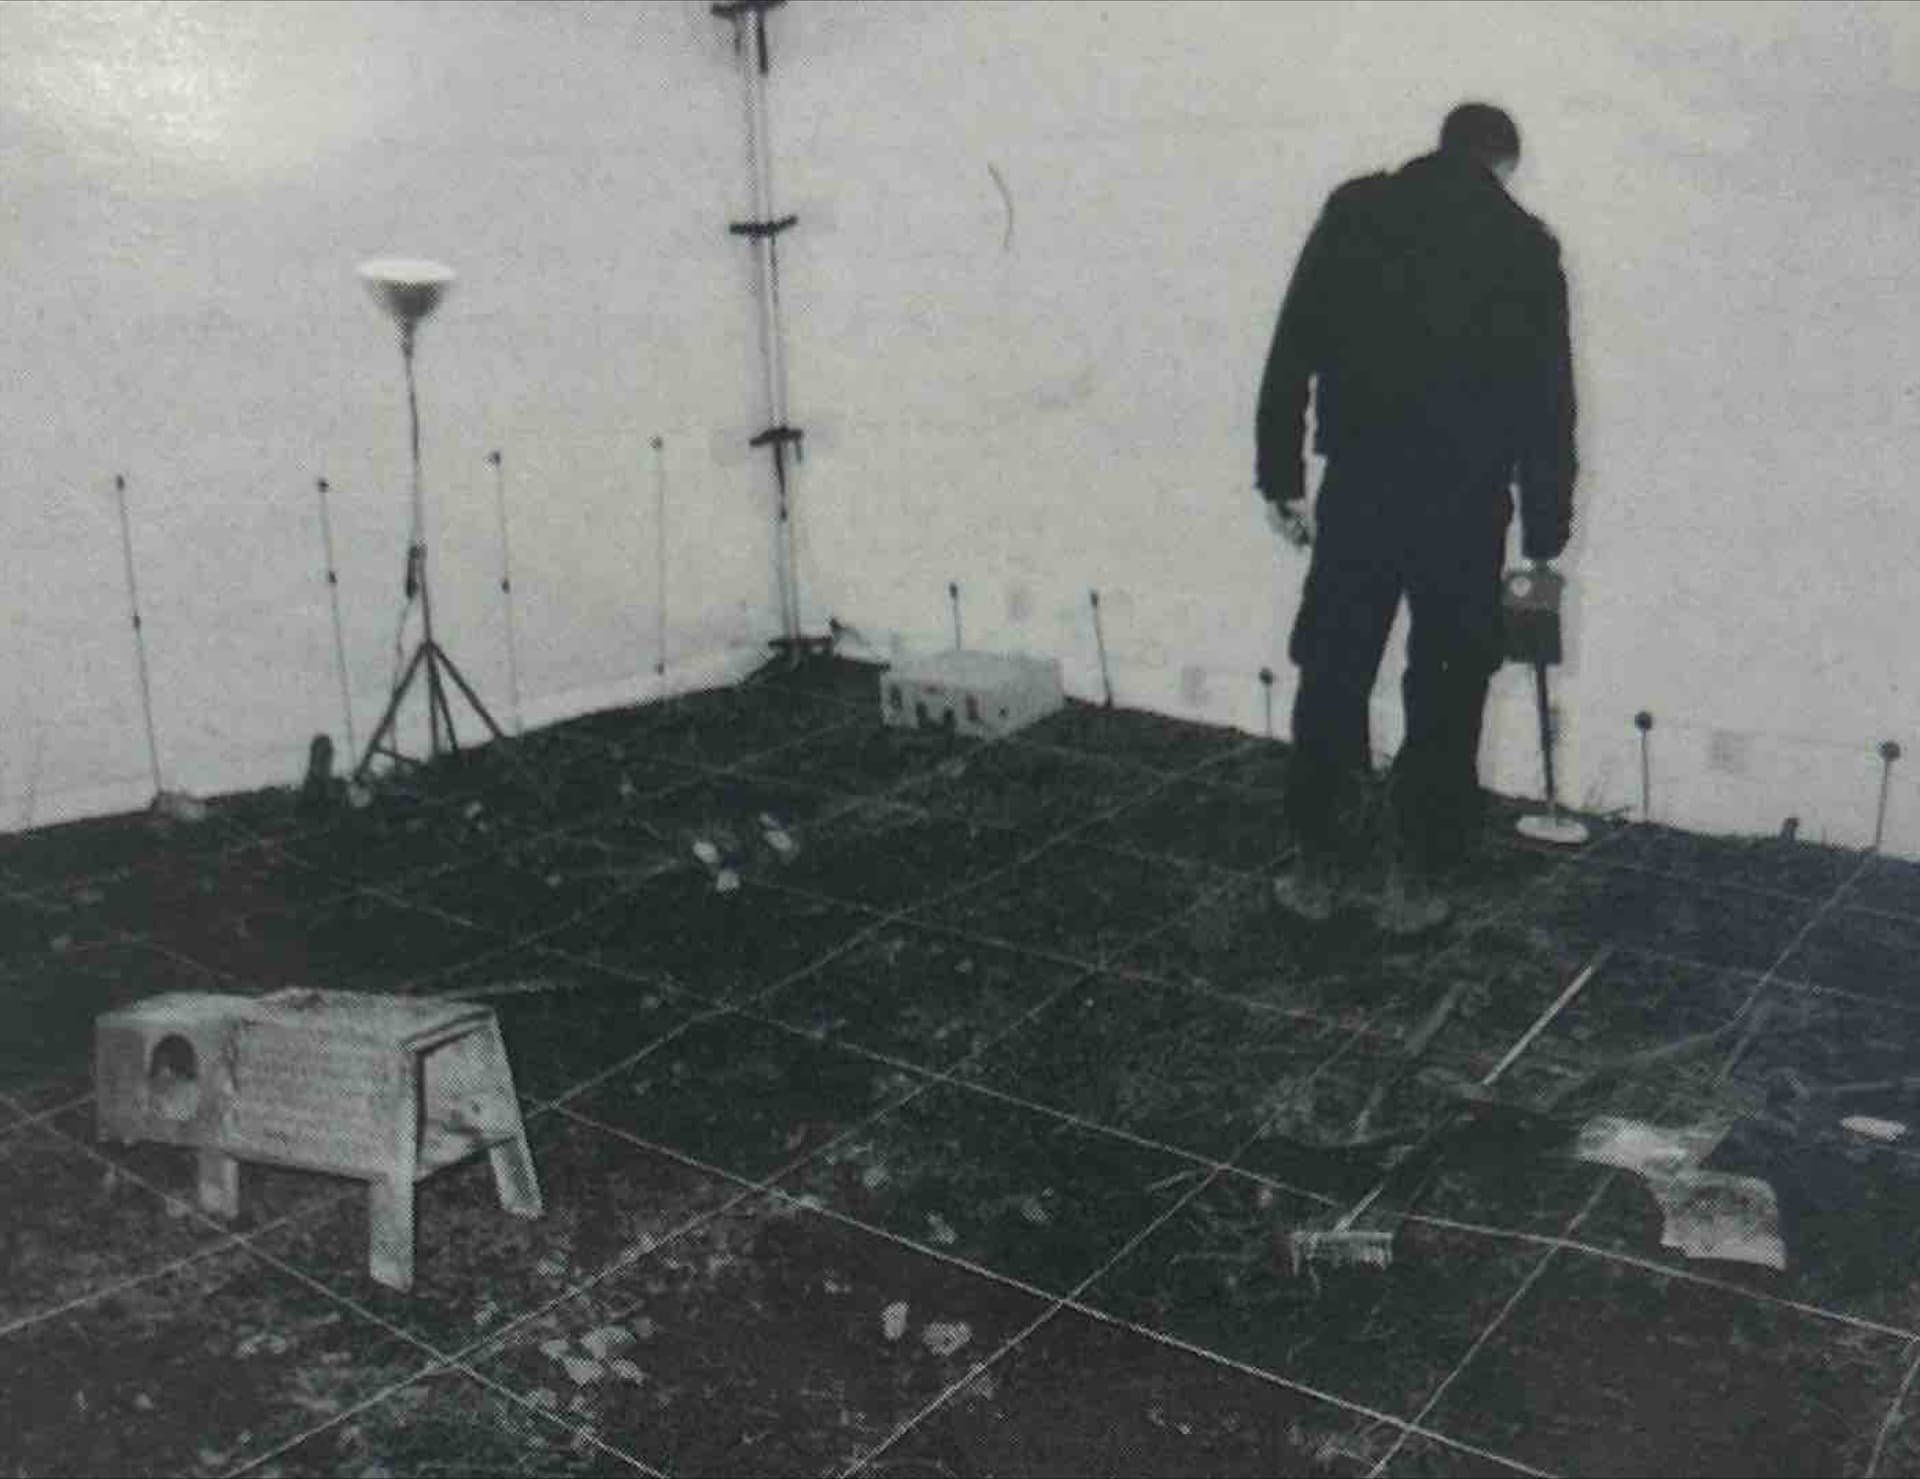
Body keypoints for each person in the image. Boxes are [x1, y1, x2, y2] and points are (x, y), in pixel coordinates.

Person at [1254, 102, 1577, 933]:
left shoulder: (1355, 209)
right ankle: (1414, 882)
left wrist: (1281, 477)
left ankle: (1318, 868)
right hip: (1465, 508)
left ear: (1442, 146)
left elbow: (1292, 349)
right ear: (1503, 165)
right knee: (1445, 688)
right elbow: (1549, 407)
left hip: (1361, 486)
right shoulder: (1528, 248)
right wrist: (1545, 535)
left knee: (1331, 671)